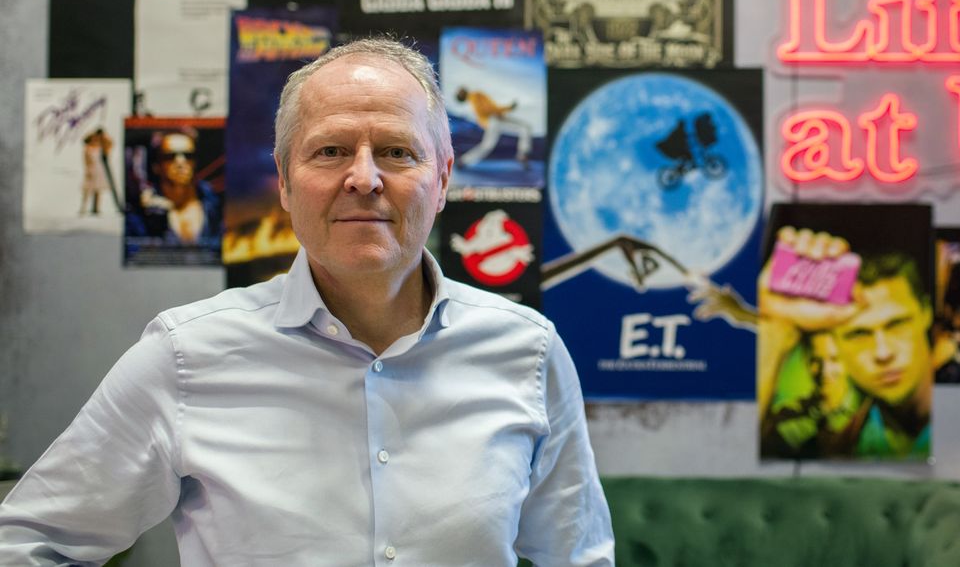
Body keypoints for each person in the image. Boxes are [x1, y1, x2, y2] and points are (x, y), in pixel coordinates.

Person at [0, 38, 614, 565]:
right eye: (331, 150)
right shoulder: (186, 356)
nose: (365, 177)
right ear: (287, 183)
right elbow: (30, 544)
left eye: (397, 151)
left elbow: (578, 555)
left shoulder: (528, 352)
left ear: (444, 178)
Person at [757, 227, 936, 459]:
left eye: (896, 325)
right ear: (835, 342)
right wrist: (777, 327)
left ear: (926, 313)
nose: (883, 353)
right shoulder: (835, 446)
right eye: (859, 335)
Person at [128, 129, 221, 246]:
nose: (180, 162)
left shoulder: (215, 204)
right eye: (170, 156)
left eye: (188, 156)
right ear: (156, 166)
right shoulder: (142, 213)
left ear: (195, 162)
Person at [454, 86, 533, 168]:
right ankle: (523, 154)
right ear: (462, 94)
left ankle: (463, 161)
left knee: (487, 145)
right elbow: (488, 109)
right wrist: (508, 108)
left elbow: (485, 111)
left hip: (494, 119)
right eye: (459, 91)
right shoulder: (475, 96)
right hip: (493, 120)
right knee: (524, 128)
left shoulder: (473, 99)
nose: (461, 89)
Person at [79, 127, 113, 215]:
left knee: (98, 190)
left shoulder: (101, 146)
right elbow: (86, 159)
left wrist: (104, 136)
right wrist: (88, 169)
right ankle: (83, 208)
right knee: (87, 190)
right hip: (91, 169)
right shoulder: (88, 147)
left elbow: (110, 143)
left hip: (99, 169)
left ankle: (96, 208)